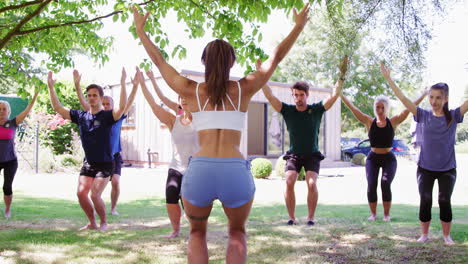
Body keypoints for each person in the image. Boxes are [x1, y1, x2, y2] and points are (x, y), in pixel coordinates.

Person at [133, 2, 309, 263]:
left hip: (199, 171)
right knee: (237, 233)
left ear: (203, 62)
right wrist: (298, 27)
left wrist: (140, 30)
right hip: (234, 170)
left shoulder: (190, 90)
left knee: (196, 234)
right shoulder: (244, 88)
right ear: (232, 62)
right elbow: (276, 58)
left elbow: (159, 61)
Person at [380, 62, 468, 245]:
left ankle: (446, 236)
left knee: (444, 199)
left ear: (445, 99)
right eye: (431, 97)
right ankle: (424, 235)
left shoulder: (453, 116)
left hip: (447, 168)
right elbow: (404, 99)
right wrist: (389, 79)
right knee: (425, 199)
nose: (434, 101)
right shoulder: (423, 115)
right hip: (425, 167)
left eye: (438, 98)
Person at [261, 56, 348, 226]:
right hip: (294, 154)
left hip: (312, 154)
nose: (298, 98)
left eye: (301, 95)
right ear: (293, 96)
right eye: (296, 95)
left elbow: (334, 95)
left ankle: (310, 217)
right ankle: (291, 217)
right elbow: (270, 96)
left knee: (311, 182)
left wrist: (342, 75)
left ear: (307, 95)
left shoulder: (316, 110)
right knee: (289, 180)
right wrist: (262, 76)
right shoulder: (287, 110)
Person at [47, 70, 127, 231]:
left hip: (105, 164)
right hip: (88, 163)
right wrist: (50, 87)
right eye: (89, 95)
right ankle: (92, 222)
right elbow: (58, 107)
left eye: (95, 95)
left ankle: (104, 222)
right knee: (81, 193)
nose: (91, 98)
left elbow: (123, 107)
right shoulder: (81, 116)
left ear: (100, 97)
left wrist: (124, 83)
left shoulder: (107, 116)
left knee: (95, 194)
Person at [341, 91, 426, 221]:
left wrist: (424, 94)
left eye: (383, 107)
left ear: (387, 108)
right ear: (375, 108)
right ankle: (373, 214)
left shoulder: (393, 121)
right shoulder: (369, 122)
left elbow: (410, 107)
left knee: (385, 183)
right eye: (377, 107)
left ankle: (386, 215)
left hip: (388, 158)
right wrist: (341, 95)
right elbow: (353, 108)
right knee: (371, 184)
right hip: (372, 158)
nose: (380, 110)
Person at [138, 68, 199, 238]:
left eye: (187, 96)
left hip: (196, 168)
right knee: (171, 197)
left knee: (190, 203)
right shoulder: (174, 120)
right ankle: (176, 229)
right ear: (179, 100)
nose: (184, 99)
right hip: (176, 167)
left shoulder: (202, 120)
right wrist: (143, 83)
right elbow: (154, 105)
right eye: (181, 97)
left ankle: (195, 229)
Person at [73, 69, 139, 215]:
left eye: (109, 103)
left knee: (115, 182)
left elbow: (127, 103)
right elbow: (85, 103)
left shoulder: (116, 116)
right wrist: (77, 86)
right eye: (104, 103)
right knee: (94, 188)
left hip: (113, 156)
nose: (106, 105)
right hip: (97, 157)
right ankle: (97, 205)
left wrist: (134, 86)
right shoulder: (96, 115)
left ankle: (113, 208)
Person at [0, 90, 39, 218]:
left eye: (4, 109)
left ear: (8, 111)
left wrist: (34, 97)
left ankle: (7, 209)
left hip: (10, 161)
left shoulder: (13, 123)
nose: (1, 111)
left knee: (7, 187)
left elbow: (27, 111)